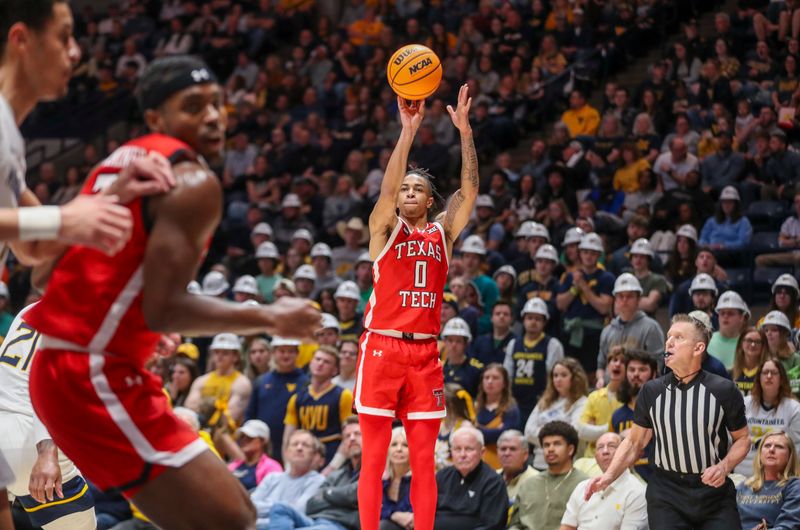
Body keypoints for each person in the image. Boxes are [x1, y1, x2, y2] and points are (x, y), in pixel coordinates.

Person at [26, 56, 322, 530]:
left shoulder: (118, 164)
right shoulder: (192, 181)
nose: (212, 117)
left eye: (217, 104)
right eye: (194, 106)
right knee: (230, 520)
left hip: (73, 368)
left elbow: (42, 276)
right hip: (91, 373)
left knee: (233, 515)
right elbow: (163, 309)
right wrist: (271, 317)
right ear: (155, 118)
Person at [355, 85, 480, 530]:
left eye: (417, 188)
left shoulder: (442, 234)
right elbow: (387, 191)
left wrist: (464, 131)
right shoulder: (385, 228)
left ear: (430, 202)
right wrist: (407, 132)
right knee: (373, 458)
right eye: (405, 186)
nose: (407, 191)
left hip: (425, 353)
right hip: (383, 349)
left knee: (423, 460)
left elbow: (469, 190)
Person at [585, 314, 751, 529]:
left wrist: (724, 466)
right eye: (668, 336)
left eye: (679, 337)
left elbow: (743, 439)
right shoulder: (651, 390)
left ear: (698, 348)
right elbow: (634, 443)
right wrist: (608, 476)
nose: (669, 342)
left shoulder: (723, 389)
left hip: (714, 493)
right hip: (666, 492)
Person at [0, 303, 96, 529]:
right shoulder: (86, 313)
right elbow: (50, 381)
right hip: (27, 438)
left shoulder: (30, 309)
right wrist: (47, 452)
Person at [267, 416, 362, 530]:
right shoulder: (337, 474)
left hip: (340, 525)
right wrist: (340, 499)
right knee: (279, 508)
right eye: (347, 436)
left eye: (357, 434)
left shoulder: (373, 471)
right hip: (314, 521)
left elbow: (354, 494)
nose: (352, 438)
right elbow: (311, 504)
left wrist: (328, 493)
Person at [509, 421, 589, 530]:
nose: (550, 449)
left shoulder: (585, 484)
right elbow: (515, 524)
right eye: (546, 445)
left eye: (557, 444)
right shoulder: (528, 484)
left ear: (570, 449)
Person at [560, 432, 647, 530]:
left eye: (612, 446)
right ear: (595, 457)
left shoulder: (637, 491)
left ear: (623, 452)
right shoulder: (582, 487)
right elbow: (567, 526)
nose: (605, 451)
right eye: (600, 447)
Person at [556, 232, 614, 377]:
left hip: (594, 333)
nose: (588, 256)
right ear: (580, 253)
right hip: (571, 332)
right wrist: (575, 288)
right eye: (585, 252)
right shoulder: (570, 276)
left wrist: (583, 286)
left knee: (592, 374)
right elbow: (560, 304)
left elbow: (603, 307)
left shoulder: (606, 277)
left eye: (593, 253)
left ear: (599, 255)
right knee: (569, 373)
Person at [283, 346, 354, 465]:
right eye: (317, 359)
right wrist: (288, 465)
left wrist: (333, 467)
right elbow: (288, 437)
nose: (320, 364)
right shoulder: (296, 398)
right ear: (311, 363)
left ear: (335, 370)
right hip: (303, 458)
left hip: (332, 456)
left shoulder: (344, 395)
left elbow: (349, 434)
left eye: (326, 362)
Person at [246, 336, 309, 464]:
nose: (286, 355)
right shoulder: (261, 381)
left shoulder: (306, 383)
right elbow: (250, 415)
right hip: (263, 448)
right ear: (273, 353)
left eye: (290, 351)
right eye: (281, 351)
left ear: (297, 353)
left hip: (294, 447)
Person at [433, 426, 509, 530]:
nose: (462, 455)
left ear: (482, 452)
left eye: (469, 449)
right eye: (457, 449)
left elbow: (491, 525)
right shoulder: (441, 476)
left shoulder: (493, 482)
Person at [503, 297, 565, 423]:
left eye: (538, 319)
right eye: (530, 318)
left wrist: (549, 400)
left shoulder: (552, 344)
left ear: (544, 322)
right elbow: (506, 374)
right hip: (516, 402)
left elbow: (555, 377)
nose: (533, 322)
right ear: (523, 320)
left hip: (541, 401)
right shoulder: (513, 343)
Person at [734, 359, 800, 476]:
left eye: (773, 373)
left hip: (778, 477)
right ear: (758, 378)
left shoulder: (794, 408)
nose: (769, 376)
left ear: (782, 379)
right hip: (743, 474)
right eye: (765, 373)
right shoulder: (744, 404)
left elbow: (796, 448)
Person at [250, 430, 326, 530]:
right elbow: (249, 507)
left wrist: (270, 509)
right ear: (286, 452)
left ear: (313, 454)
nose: (299, 448)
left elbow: (298, 510)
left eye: (305, 445)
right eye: (295, 444)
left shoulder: (318, 481)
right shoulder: (271, 478)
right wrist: (281, 509)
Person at [597, 273, 665, 382]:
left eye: (629, 296)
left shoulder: (651, 328)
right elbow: (601, 365)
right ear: (615, 300)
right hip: (611, 389)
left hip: (639, 390)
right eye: (620, 296)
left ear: (638, 299)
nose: (624, 300)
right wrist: (600, 379)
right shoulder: (607, 330)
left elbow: (657, 364)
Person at [525, 358, 589, 470]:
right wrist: (560, 431)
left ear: (575, 378)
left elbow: (573, 434)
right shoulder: (545, 400)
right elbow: (528, 431)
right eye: (555, 375)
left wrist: (542, 430)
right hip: (539, 462)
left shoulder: (582, 402)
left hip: (567, 465)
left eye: (563, 375)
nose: (558, 379)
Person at [609, 350, 658, 481]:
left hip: (657, 480)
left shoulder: (662, 410)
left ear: (653, 374)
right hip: (624, 480)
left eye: (642, 370)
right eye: (631, 370)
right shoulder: (617, 415)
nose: (636, 374)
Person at [736, 431, 800, 530]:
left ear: (790, 456)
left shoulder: (794, 486)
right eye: (767, 445)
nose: (771, 450)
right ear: (760, 453)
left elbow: (789, 525)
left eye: (779, 447)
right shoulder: (742, 486)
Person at [185, 333, 252, 425]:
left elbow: (228, 419)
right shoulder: (201, 381)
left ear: (236, 356)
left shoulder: (242, 383)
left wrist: (205, 406)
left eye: (225, 353)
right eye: (216, 352)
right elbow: (189, 411)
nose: (219, 356)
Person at [578, 345, 624, 457]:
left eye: (623, 361)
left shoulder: (633, 399)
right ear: (608, 366)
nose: (617, 364)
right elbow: (582, 432)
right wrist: (615, 429)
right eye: (614, 360)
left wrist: (595, 430)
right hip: (591, 457)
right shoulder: (594, 396)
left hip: (619, 458)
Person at [474, 364, 520, 469]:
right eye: (486, 378)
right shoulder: (475, 406)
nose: (490, 381)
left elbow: (504, 437)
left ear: (504, 383)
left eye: (495, 378)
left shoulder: (511, 409)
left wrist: (477, 428)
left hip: (499, 463)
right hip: (476, 461)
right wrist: (493, 431)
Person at [217, 419, 282, 491]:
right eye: (242, 437)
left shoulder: (272, 467)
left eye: (250, 437)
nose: (244, 440)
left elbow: (273, 495)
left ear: (263, 441)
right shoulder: (233, 465)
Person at [441, 317, 484, 398]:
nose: (454, 345)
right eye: (450, 340)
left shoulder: (476, 370)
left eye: (458, 341)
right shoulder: (438, 368)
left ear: (466, 344)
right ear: (444, 342)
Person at [379, 427, 413, 530]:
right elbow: (373, 510)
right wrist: (394, 514)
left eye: (405, 445)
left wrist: (389, 513)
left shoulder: (419, 480)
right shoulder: (382, 480)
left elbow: (412, 518)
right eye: (394, 445)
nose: (399, 449)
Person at [699, 186, 752, 250]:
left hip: (730, 252)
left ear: (736, 204)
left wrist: (723, 246)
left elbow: (743, 243)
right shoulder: (711, 221)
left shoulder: (743, 221)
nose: (726, 205)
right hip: (710, 251)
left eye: (730, 202)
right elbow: (702, 238)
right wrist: (705, 245)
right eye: (724, 202)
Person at [709, 291, 750, 370]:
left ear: (741, 317)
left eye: (730, 313)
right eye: (722, 313)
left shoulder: (748, 343)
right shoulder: (707, 341)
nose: (725, 316)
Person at [496, 430, 538, 504]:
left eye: (513, 449)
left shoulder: (536, 480)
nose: (506, 453)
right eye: (503, 449)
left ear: (525, 454)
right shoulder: (492, 477)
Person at [469, 302, 514, 366]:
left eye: (506, 314)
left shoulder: (517, 342)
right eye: (498, 314)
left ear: (511, 319)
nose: (501, 316)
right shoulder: (479, 341)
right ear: (491, 318)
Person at [732, 328, 769, 396]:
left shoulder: (768, 373)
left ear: (763, 346)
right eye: (749, 340)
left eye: (757, 342)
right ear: (741, 343)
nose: (753, 345)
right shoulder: (730, 373)